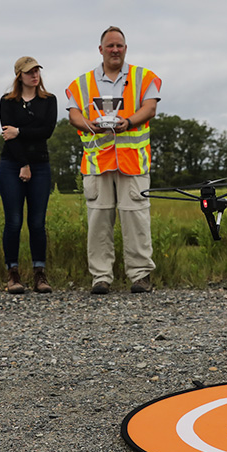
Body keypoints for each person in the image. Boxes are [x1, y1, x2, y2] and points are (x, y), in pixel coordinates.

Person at [66, 26, 161, 295]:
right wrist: (91, 125)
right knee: (98, 221)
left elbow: (150, 107)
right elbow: (73, 115)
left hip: (133, 162)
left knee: (136, 220)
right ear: (101, 50)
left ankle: (140, 276)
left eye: (119, 45)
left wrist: (128, 122)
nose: (115, 50)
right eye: (110, 46)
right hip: (98, 163)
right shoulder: (81, 83)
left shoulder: (145, 77)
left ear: (126, 48)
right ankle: (101, 277)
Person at [0, 56, 57, 294]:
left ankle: (39, 274)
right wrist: (23, 163)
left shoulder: (49, 100)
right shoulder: (7, 102)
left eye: (37, 71)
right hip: (12, 165)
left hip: (40, 165)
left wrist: (20, 130)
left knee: (37, 222)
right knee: (13, 221)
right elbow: (7, 135)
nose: (34, 75)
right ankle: (13, 274)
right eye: (29, 72)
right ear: (19, 76)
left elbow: (47, 131)